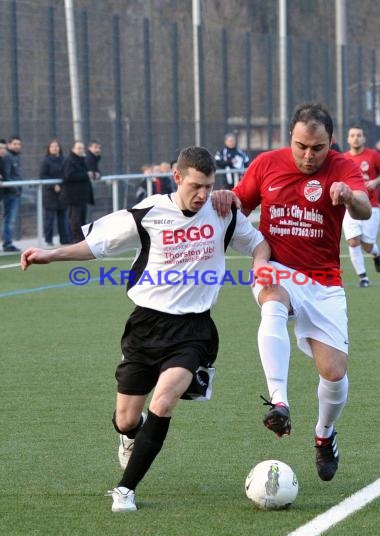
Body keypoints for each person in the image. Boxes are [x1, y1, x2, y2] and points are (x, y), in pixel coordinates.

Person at [21, 145, 270, 513]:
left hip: (193, 329)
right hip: (145, 326)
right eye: (196, 186)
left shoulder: (223, 212)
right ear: (177, 178)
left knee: (164, 399)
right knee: (125, 419)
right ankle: (129, 437)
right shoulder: (151, 212)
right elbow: (98, 245)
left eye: (209, 186)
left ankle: (125, 489)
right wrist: (50, 254)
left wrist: (261, 269)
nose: (203, 194)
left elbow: (259, 244)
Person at [213, 103, 371, 482]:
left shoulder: (343, 167)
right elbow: (239, 205)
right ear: (291, 138)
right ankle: (279, 401)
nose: (308, 155)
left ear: (330, 143)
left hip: (323, 280)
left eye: (317, 148)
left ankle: (323, 435)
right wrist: (225, 198)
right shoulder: (267, 163)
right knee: (272, 300)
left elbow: (363, 209)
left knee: (333, 373)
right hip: (277, 267)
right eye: (301, 146)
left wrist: (349, 196)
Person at [342, 126, 380, 287]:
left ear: (364, 138)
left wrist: (375, 182)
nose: (355, 138)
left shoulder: (373, 155)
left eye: (359, 135)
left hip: (370, 206)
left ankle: (376, 255)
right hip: (349, 207)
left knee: (368, 246)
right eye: (352, 135)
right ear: (348, 139)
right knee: (353, 241)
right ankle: (363, 278)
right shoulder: (342, 159)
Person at [39, 140, 71, 246]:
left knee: (63, 218)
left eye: (56, 146)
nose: (54, 148)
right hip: (50, 195)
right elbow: (43, 176)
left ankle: (65, 239)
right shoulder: (46, 161)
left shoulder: (64, 160)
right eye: (52, 146)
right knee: (50, 219)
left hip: (63, 193)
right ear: (49, 148)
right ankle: (49, 240)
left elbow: (67, 173)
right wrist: (53, 185)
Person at [61, 141, 94, 243]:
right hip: (73, 196)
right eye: (78, 148)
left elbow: (92, 169)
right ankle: (76, 239)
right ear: (73, 149)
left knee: (82, 219)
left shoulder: (83, 160)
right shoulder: (69, 160)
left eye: (82, 148)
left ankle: (82, 239)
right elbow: (68, 176)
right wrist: (85, 175)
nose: (81, 150)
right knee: (75, 220)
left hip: (82, 196)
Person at [1, 136, 23, 252]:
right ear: (9, 144)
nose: (17, 146)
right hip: (9, 193)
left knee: (9, 219)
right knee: (9, 219)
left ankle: (7, 242)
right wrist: (15, 189)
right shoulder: (7, 157)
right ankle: (7, 243)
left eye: (19, 144)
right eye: (15, 144)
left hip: (13, 193)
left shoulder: (14, 157)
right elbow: (7, 176)